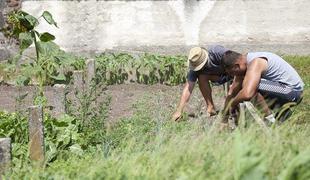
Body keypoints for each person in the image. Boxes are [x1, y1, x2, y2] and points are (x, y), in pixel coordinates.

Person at [221, 50, 304, 123]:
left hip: (293, 92)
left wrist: (233, 104)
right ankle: (281, 113)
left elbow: (247, 94)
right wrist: (224, 119)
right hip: (281, 88)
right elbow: (231, 93)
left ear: (236, 66)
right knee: (248, 84)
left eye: (232, 73)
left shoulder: (255, 63)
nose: (232, 76)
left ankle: (270, 121)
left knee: (251, 87)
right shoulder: (244, 64)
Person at [171, 45, 232, 122]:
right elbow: (188, 88)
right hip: (218, 78)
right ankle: (211, 107)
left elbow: (235, 60)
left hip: (231, 74)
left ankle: (231, 108)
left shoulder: (217, 52)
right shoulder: (195, 67)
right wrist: (179, 110)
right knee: (202, 77)